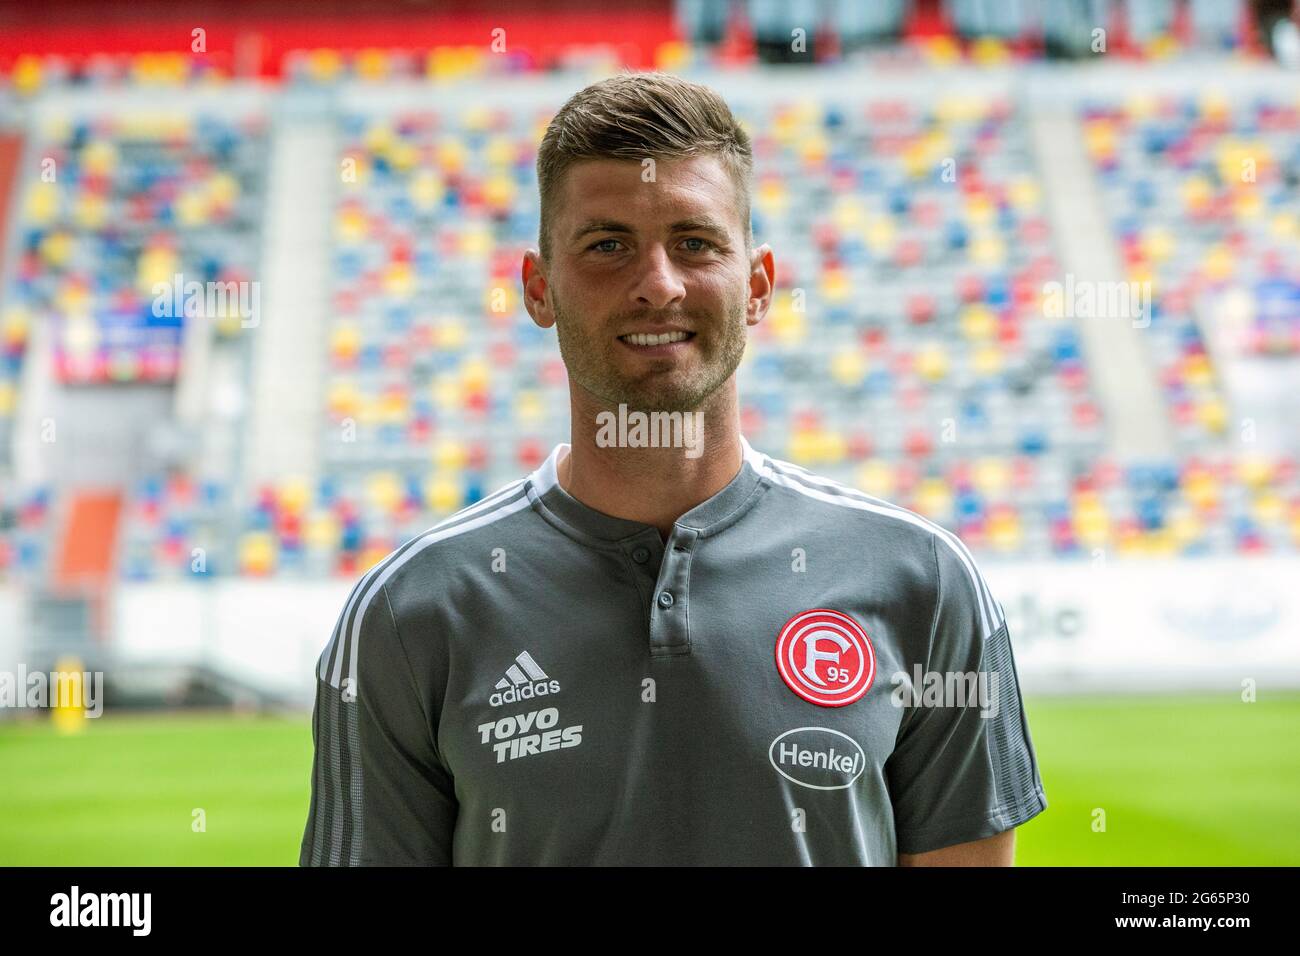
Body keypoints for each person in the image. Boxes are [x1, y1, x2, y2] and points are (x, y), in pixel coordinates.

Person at [300, 71, 1047, 866]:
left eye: (694, 242)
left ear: (757, 286)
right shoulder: (409, 614)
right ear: (539, 287)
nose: (657, 284)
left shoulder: (924, 581)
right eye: (608, 245)